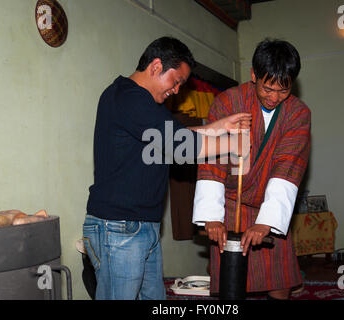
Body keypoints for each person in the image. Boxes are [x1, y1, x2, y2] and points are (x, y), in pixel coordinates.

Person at [83, 36, 251, 300]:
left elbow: (170, 137)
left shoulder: (145, 104)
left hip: (141, 226)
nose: (176, 91)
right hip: (118, 226)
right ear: (156, 66)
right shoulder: (128, 97)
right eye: (177, 81)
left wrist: (218, 127)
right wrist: (234, 144)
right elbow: (180, 146)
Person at [193, 38, 311, 300]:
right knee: (230, 278)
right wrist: (212, 216)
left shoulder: (298, 113)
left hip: (271, 203)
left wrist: (267, 222)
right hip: (230, 202)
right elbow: (212, 158)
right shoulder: (229, 102)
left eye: (283, 90)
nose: (274, 98)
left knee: (280, 276)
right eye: (268, 89)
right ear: (253, 75)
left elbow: (289, 165)